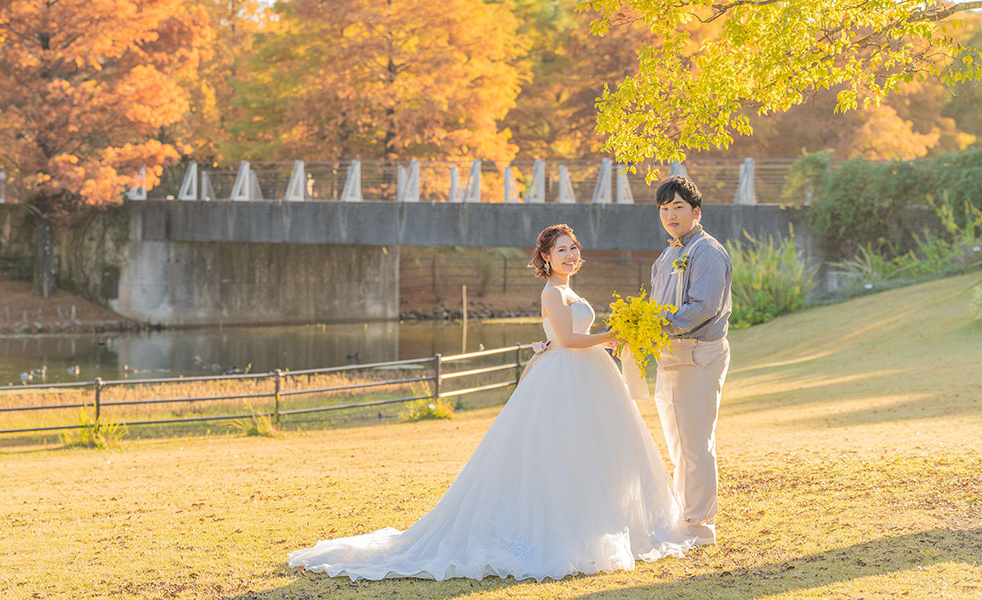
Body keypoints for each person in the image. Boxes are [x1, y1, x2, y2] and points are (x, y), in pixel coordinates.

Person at [287, 224, 696, 581]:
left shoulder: (569, 289)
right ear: (546, 257)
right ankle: (561, 530)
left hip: (587, 375)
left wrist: (611, 339)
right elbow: (568, 340)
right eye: (562, 250)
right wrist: (610, 336)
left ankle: (596, 521)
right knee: (560, 450)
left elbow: (573, 340)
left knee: (588, 450)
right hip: (564, 376)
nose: (571, 255)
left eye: (573, 248)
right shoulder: (553, 292)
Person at [650, 175, 732, 546]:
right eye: (664, 208)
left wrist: (657, 325)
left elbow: (703, 307)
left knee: (696, 444)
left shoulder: (707, 251)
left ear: (696, 212)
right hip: (669, 356)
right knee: (677, 443)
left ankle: (700, 526)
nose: (671, 215)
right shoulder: (667, 255)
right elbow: (656, 306)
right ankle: (685, 515)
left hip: (699, 355)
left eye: (678, 207)